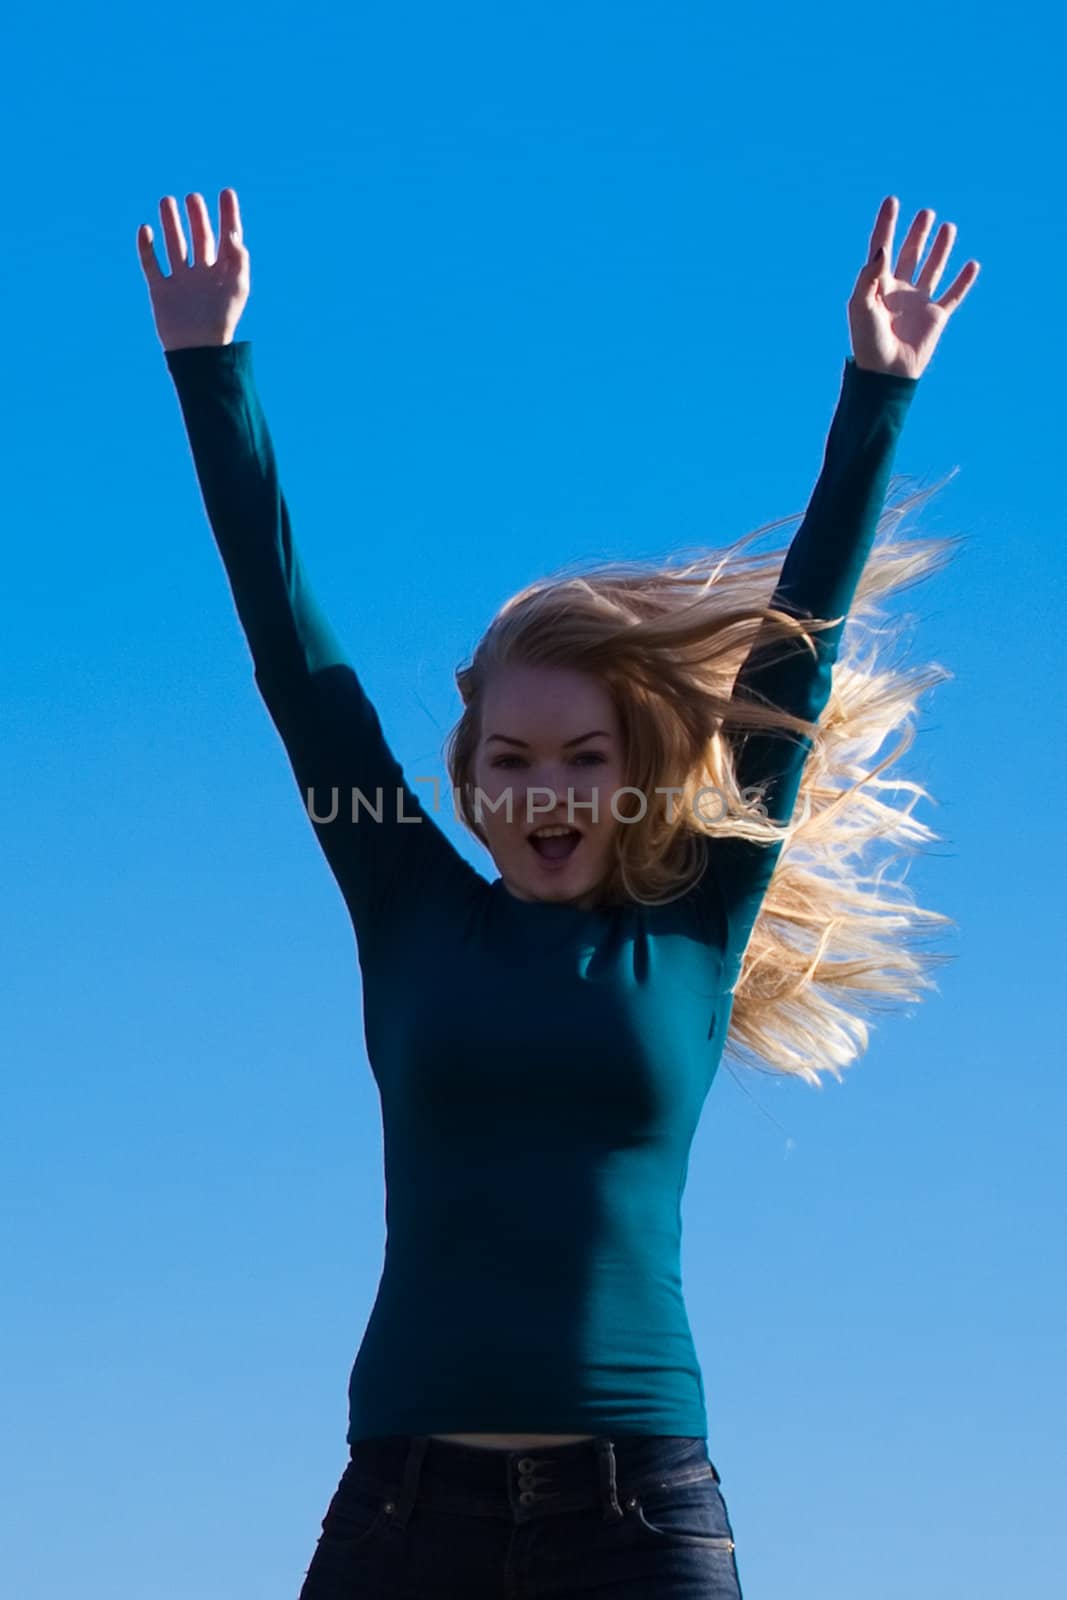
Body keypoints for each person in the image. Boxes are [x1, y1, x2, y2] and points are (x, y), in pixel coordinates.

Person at [137, 188, 979, 1599]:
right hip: (406, 1510)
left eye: (585, 760)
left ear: (639, 775)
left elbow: (796, 667)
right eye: (510, 761)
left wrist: (878, 388)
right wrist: (213, 371)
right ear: (466, 780)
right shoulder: (410, 906)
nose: (545, 794)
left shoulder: (697, 927)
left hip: (638, 1520)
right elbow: (299, 667)